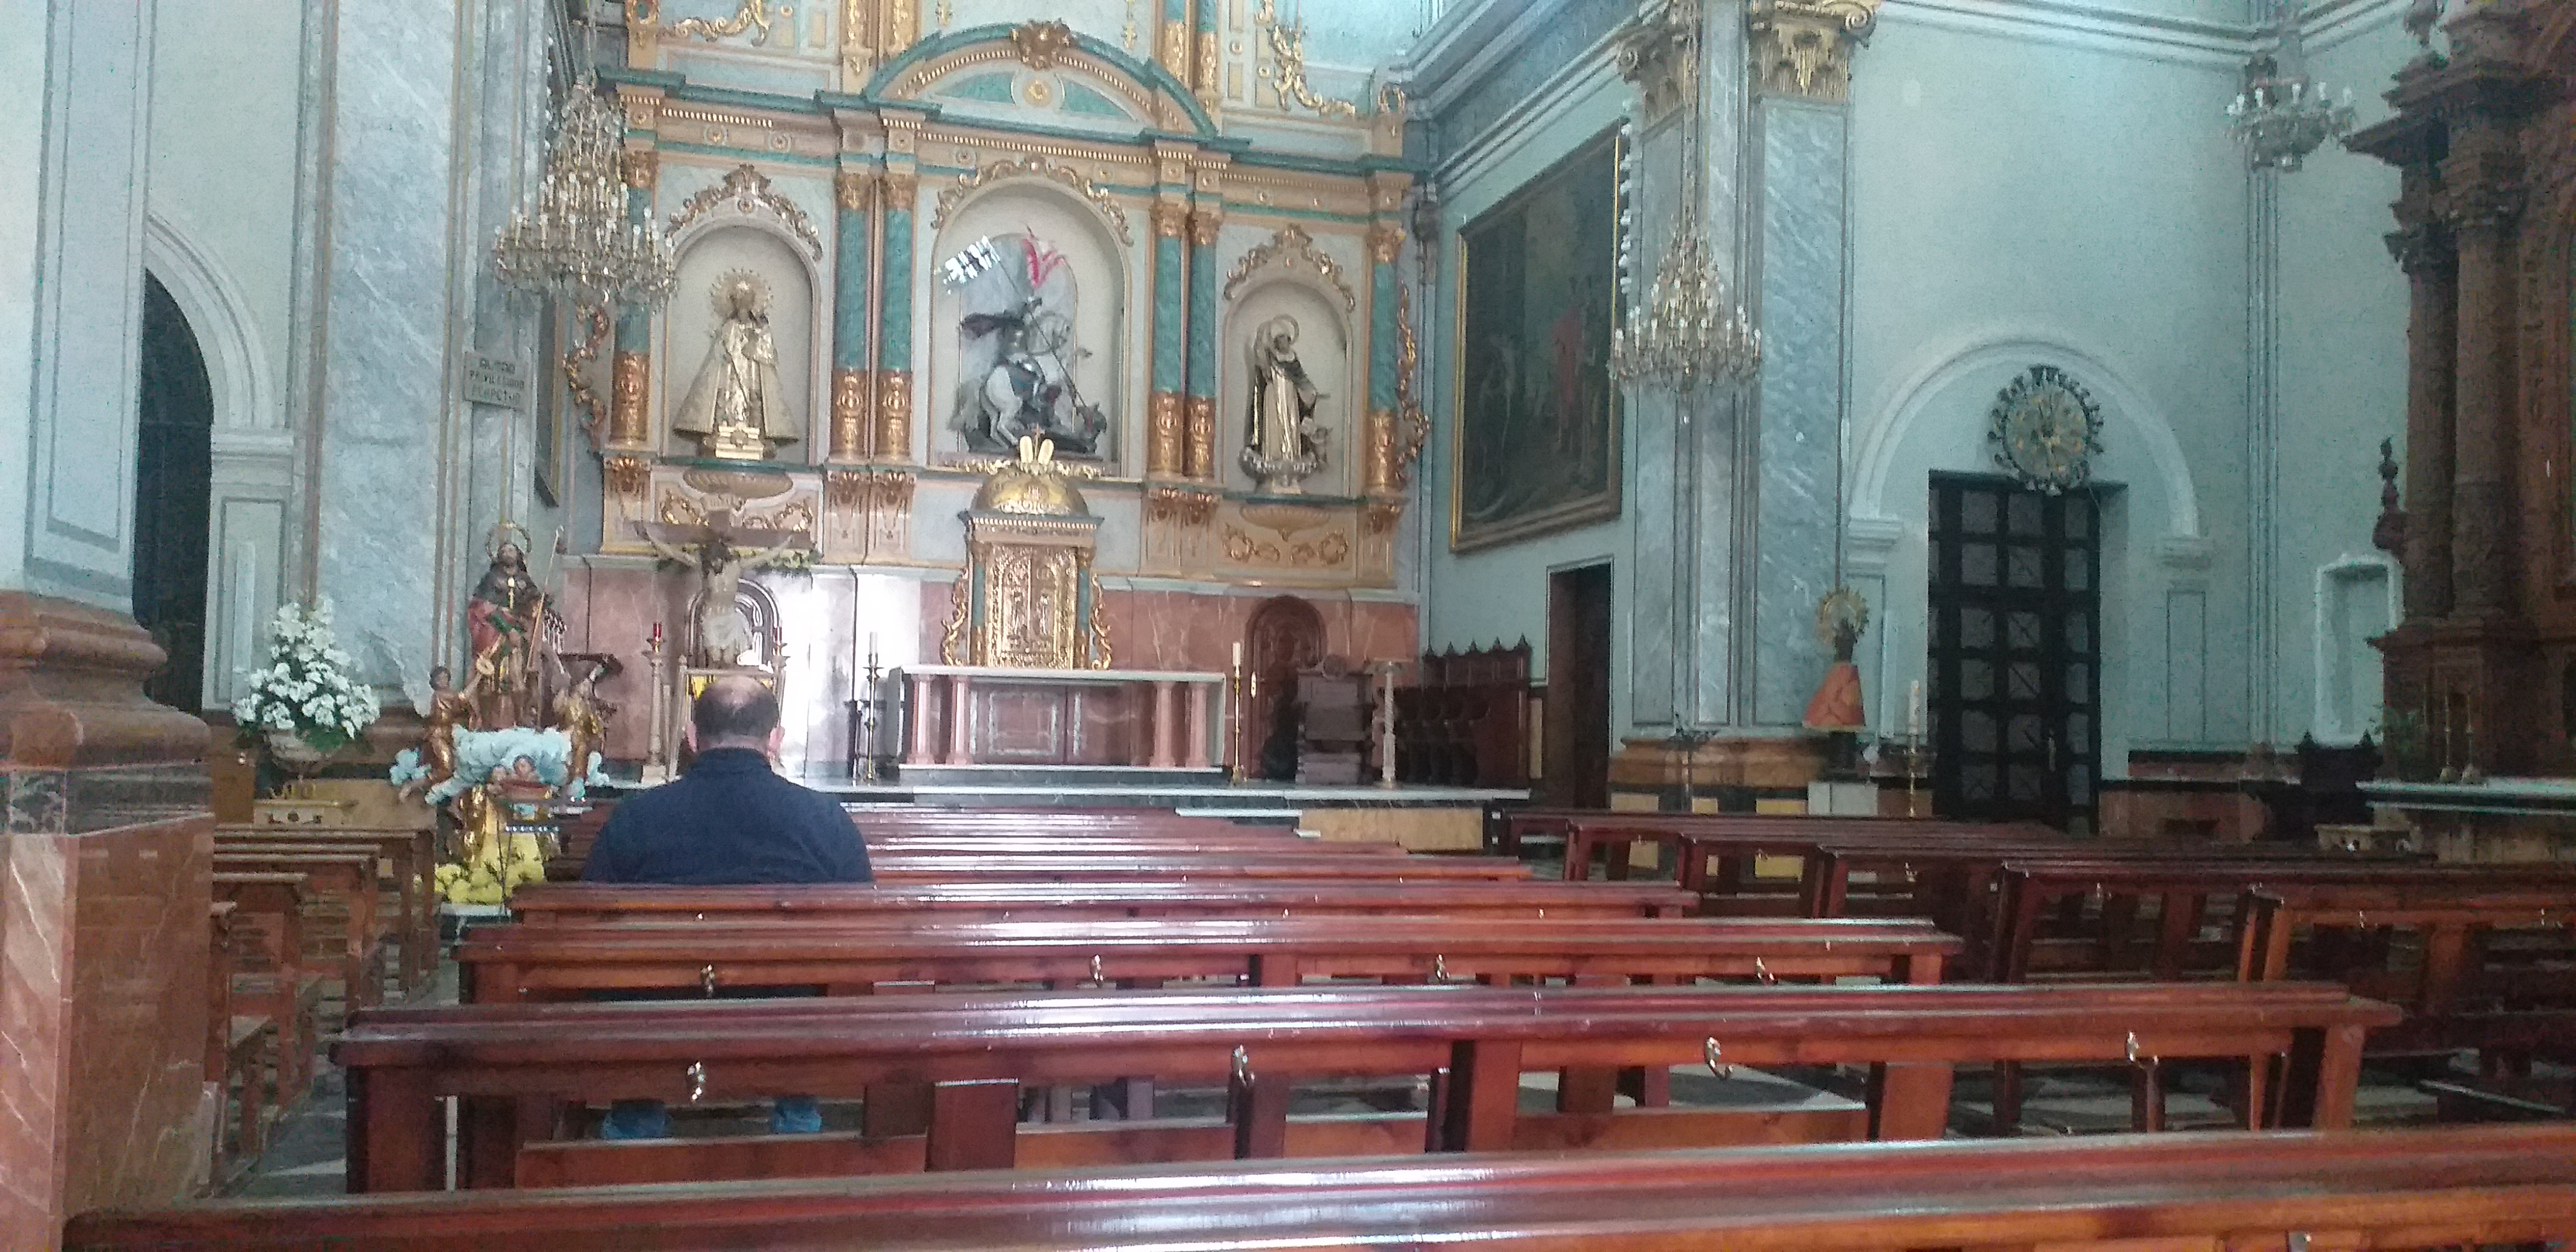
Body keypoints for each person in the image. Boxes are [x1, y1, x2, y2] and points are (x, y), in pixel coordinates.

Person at [583, 675, 871, 1138]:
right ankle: (797, 1120)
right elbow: (862, 923)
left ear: (693, 738)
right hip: (790, 1017)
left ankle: (637, 1122)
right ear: (775, 739)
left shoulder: (636, 817)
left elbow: (589, 919)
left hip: (654, 1018)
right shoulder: (825, 819)